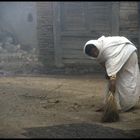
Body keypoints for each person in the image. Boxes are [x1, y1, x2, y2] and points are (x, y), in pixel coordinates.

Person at [83, 36, 140, 112]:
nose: (95, 54)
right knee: (112, 80)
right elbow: (102, 62)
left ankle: (126, 105)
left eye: (95, 51)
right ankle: (110, 105)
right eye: (92, 54)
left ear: (96, 47)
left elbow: (112, 77)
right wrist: (108, 72)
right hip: (118, 55)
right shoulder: (99, 48)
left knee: (125, 81)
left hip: (128, 55)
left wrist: (112, 86)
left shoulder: (108, 52)